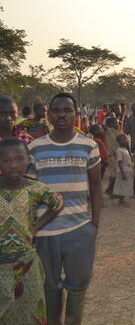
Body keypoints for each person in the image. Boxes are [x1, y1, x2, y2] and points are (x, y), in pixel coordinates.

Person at [28, 92, 102, 324]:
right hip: (45, 233)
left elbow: (96, 186)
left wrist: (94, 225)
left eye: (67, 110)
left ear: (76, 115)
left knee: (78, 287)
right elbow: (29, 193)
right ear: (49, 115)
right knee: (49, 286)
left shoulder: (88, 146)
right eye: (57, 111)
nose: (61, 115)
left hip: (80, 229)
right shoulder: (34, 148)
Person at [0, 138, 64, 324]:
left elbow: (57, 203)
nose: (13, 165)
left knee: (31, 311)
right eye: (6, 160)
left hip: (27, 265)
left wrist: (36, 227)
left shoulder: (35, 188)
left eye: (19, 159)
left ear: (28, 160)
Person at [111, 134, 133, 207]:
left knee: (125, 185)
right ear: (120, 141)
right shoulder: (119, 150)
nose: (127, 140)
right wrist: (123, 173)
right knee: (122, 186)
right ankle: (121, 200)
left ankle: (123, 199)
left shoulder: (125, 149)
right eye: (125, 139)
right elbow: (120, 162)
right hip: (123, 170)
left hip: (127, 169)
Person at [104, 117, 120, 196]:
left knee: (113, 174)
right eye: (116, 123)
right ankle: (111, 191)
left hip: (111, 156)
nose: (118, 124)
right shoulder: (111, 132)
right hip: (113, 156)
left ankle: (110, 190)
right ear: (111, 124)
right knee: (114, 175)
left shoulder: (111, 132)